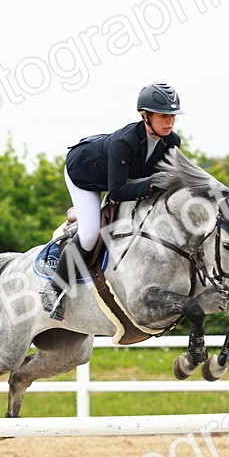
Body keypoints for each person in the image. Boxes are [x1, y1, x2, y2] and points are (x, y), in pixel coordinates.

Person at [42, 82, 184, 320]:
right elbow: (117, 192)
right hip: (84, 175)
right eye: (163, 116)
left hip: (120, 176)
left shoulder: (172, 141)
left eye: (172, 116)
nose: (169, 121)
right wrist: (150, 186)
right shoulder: (125, 142)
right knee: (89, 235)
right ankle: (54, 287)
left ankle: (82, 212)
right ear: (145, 116)